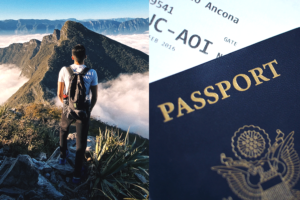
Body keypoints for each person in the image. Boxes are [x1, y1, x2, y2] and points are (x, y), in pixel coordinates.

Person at [57, 44, 98, 184]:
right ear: (85, 57)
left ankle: (62, 157)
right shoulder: (92, 72)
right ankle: (76, 174)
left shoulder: (64, 70)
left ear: (72, 57)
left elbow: (59, 93)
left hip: (68, 108)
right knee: (81, 142)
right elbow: (94, 96)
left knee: (63, 129)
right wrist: (88, 110)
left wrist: (66, 106)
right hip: (83, 110)